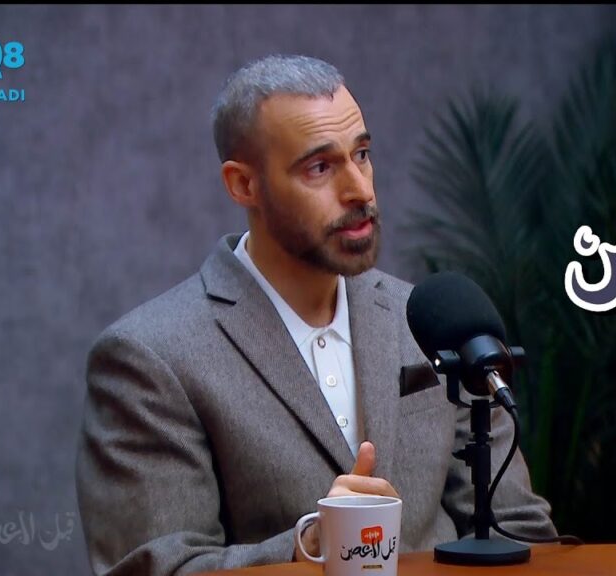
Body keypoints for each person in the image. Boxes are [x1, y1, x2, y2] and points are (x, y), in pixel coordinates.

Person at [75, 54, 557, 576]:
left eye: (362, 155)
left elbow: (519, 531)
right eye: (320, 167)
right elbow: (155, 568)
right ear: (243, 185)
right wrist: (313, 541)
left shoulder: (434, 322)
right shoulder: (150, 357)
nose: (360, 190)